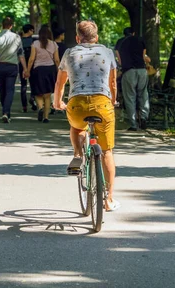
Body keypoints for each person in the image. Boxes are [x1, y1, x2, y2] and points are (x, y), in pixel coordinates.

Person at [53, 20, 120, 211]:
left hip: (77, 104)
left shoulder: (70, 53)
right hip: (102, 104)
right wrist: (113, 101)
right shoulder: (107, 52)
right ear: (96, 37)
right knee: (107, 152)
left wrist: (58, 103)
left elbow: (60, 84)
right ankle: (109, 199)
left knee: (77, 126)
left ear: (77, 38)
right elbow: (113, 83)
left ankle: (77, 154)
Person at [0, 17, 28, 123]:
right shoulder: (17, 37)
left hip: (0, 66)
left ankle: (5, 112)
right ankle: (6, 112)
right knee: (10, 90)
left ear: (2, 25)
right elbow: (21, 54)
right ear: (11, 25)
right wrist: (25, 68)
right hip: (12, 67)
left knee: (2, 91)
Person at [115, 27, 150, 131]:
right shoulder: (140, 40)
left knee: (130, 97)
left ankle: (133, 123)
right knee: (143, 94)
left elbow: (119, 59)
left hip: (128, 71)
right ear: (134, 33)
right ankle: (144, 118)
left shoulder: (120, 42)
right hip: (142, 70)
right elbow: (144, 56)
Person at [26, 25, 59, 123]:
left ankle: (40, 107)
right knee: (47, 95)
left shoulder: (35, 44)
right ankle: (46, 117)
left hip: (38, 70)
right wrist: (59, 71)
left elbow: (31, 59)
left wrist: (28, 70)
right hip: (50, 70)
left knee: (38, 93)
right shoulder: (54, 44)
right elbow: (57, 60)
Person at [19, 24, 36, 112]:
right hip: (32, 64)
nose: (33, 32)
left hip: (21, 64)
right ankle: (33, 98)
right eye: (32, 30)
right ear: (29, 30)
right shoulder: (33, 41)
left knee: (23, 85)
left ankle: (24, 106)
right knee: (33, 83)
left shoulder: (19, 41)